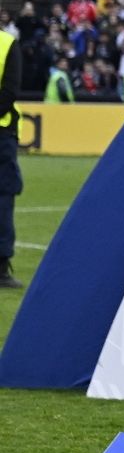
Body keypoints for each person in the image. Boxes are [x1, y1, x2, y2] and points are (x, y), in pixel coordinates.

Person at [0, 24, 20, 290]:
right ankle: (1, 267)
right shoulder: (7, 42)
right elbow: (10, 91)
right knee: (4, 196)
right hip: (2, 134)